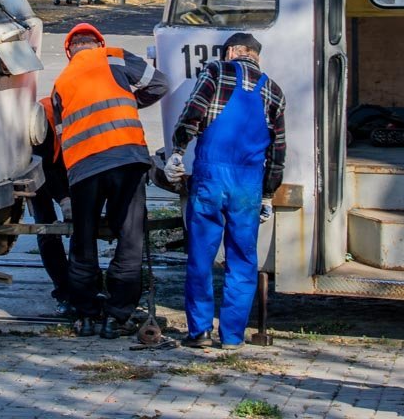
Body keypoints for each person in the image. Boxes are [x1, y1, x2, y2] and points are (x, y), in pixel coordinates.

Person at [166, 32, 286, 349]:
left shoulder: (218, 71)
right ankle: (232, 337)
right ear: (256, 55)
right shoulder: (274, 91)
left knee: (201, 257)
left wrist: (177, 151)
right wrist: (268, 193)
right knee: (243, 260)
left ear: (231, 51)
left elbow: (193, 112)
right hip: (248, 184)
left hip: (211, 177)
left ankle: (200, 332)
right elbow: (278, 151)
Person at [50, 22, 167, 339]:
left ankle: (86, 316)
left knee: (83, 242)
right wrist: (130, 100)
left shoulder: (60, 83)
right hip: (128, 159)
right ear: (99, 43)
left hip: (84, 169)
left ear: (69, 52)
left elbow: (61, 138)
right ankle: (117, 317)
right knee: (130, 239)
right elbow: (160, 84)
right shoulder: (115, 57)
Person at [31, 96, 72, 317]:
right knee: (47, 228)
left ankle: (85, 287)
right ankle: (64, 291)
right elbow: (43, 166)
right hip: (38, 168)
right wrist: (64, 198)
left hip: (70, 165)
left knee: (81, 228)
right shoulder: (43, 117)